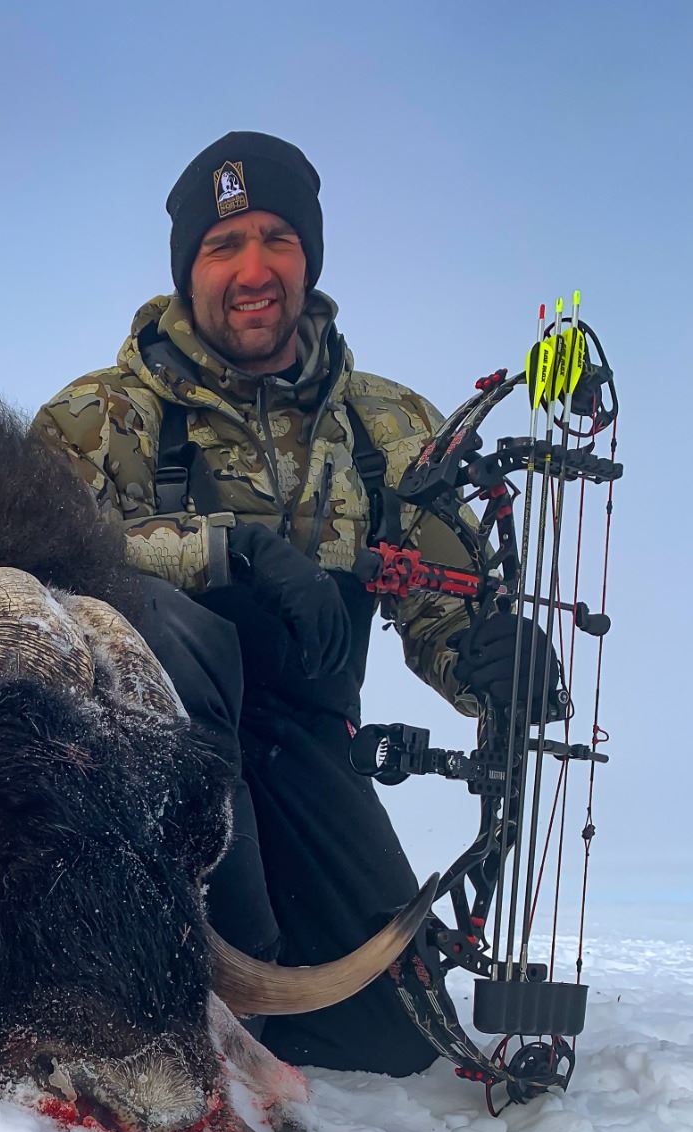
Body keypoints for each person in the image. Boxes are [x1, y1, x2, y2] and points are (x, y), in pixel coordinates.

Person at [34, 130, 559, 1078]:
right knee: (161, 626)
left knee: (394, 1040)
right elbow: (25, 572)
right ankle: (151, 975)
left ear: (309, 257)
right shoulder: (95, 418)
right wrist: (227, 551)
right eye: (222, 246)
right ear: (187, 270)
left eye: (276, 238)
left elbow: (442, 603)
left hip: (303, 741)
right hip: (141, 760)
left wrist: (491, 664)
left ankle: (255, 1002)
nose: (254, 270)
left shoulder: (389, 424)